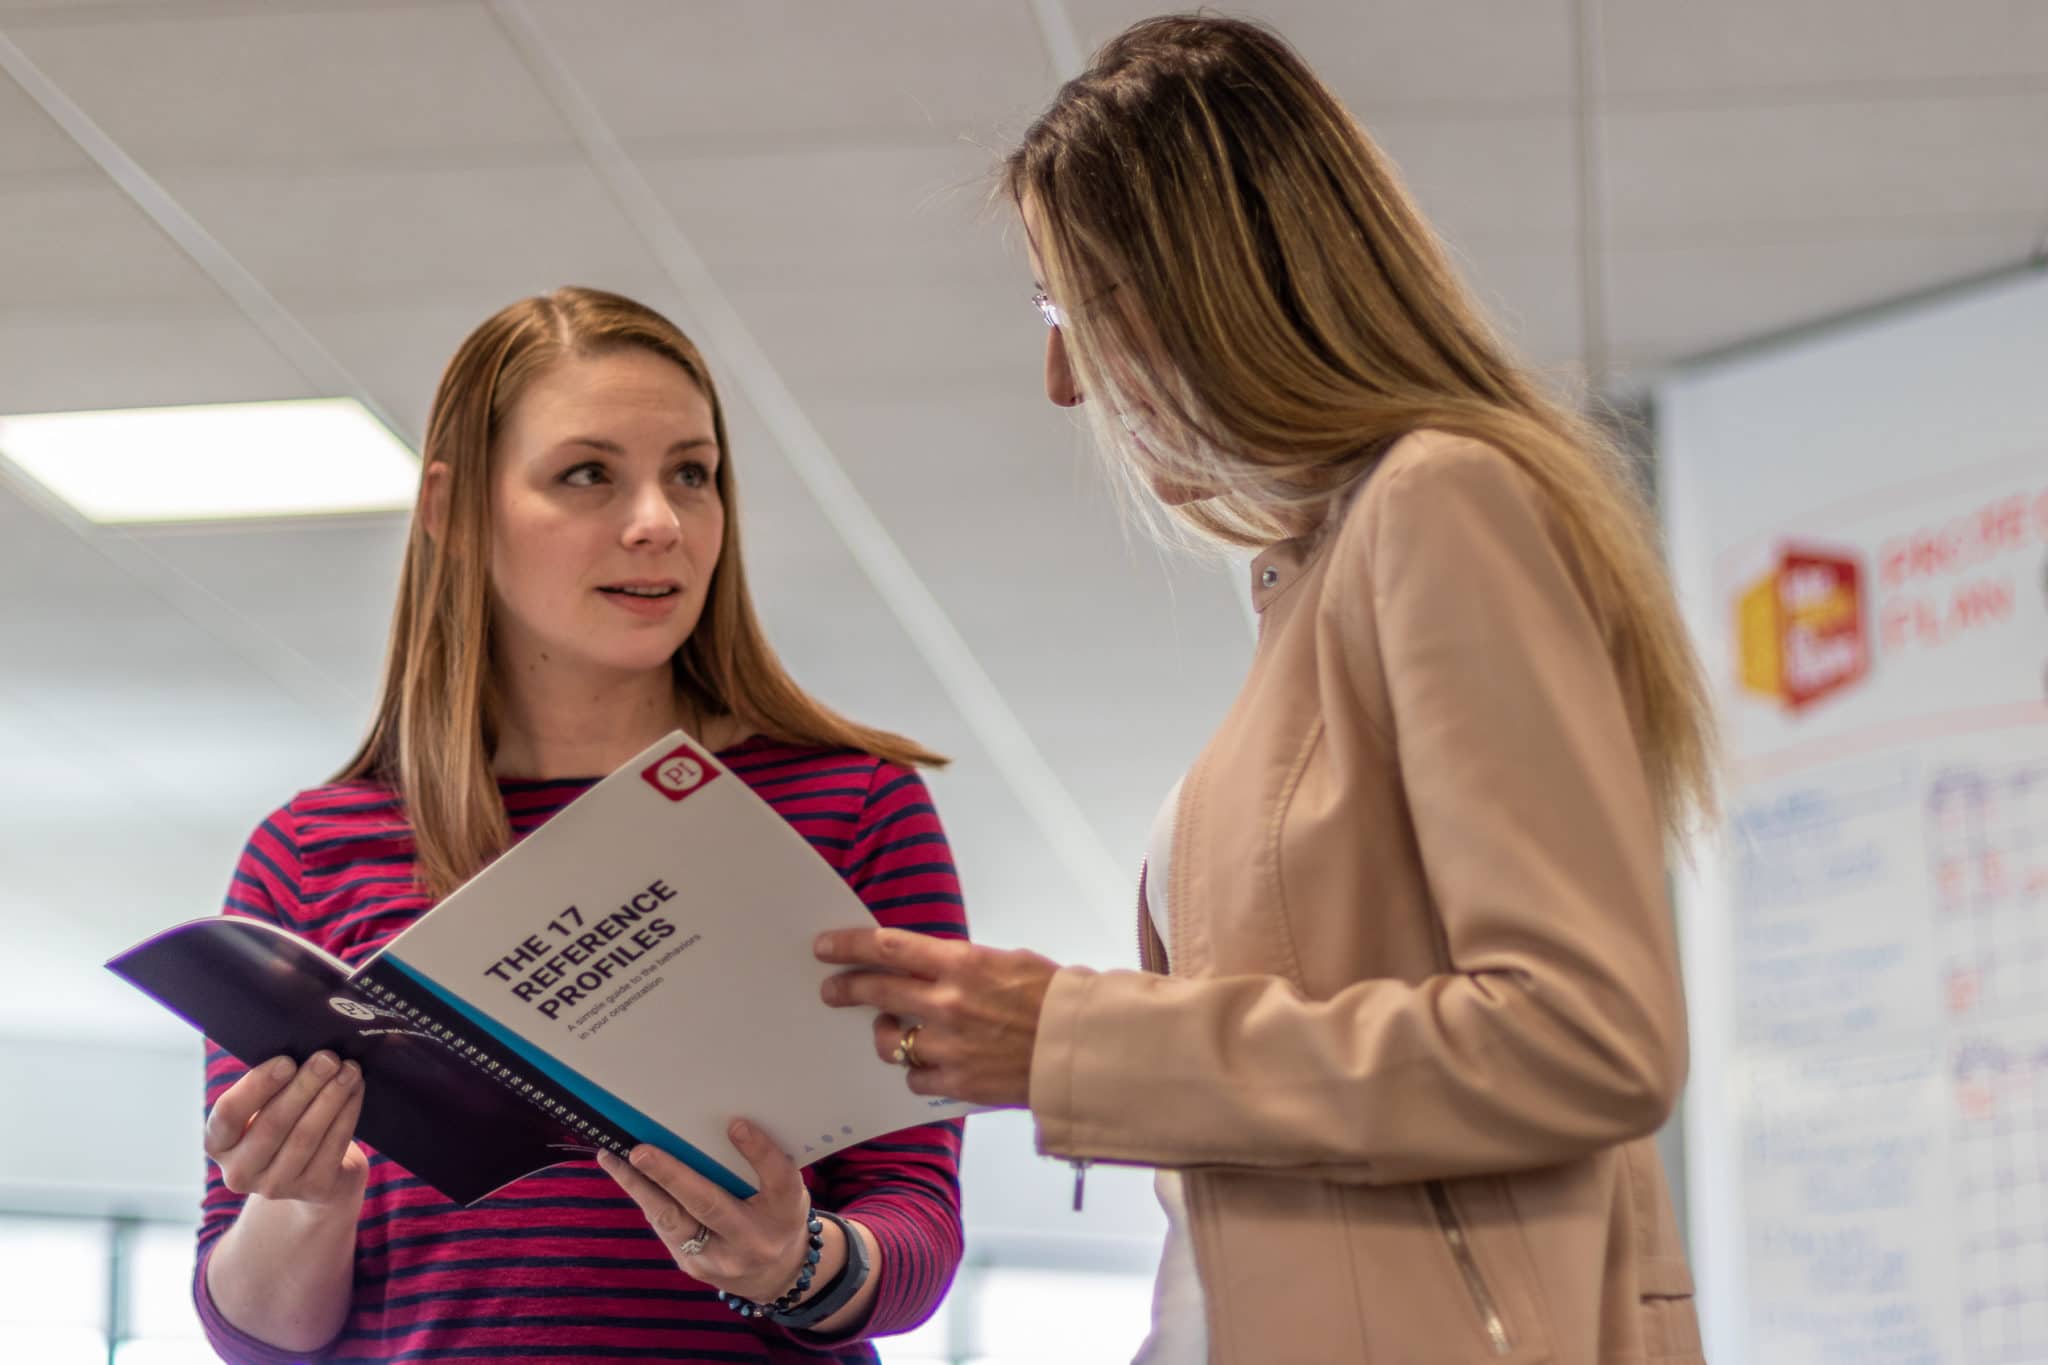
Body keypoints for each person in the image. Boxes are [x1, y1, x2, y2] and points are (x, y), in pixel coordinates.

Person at [817, 14, 1713, 1364]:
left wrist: (1071, 1037)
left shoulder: (1441, 503)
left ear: (1210, 278)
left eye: (1070, 308)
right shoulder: (1315, 582)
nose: (1063, 381)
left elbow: (1588, 1038)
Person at [194, 286, 967, 1364]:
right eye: (589, 474)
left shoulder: (852, 808)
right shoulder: (311, 851)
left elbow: (915, 1211)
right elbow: (256, 1333)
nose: (658, 521)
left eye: (691, 475)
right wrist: (306, 1200)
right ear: (452, 511)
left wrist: (797, 1264)